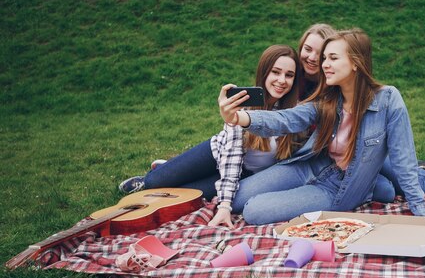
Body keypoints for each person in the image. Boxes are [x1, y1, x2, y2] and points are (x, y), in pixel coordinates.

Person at [219, 28, 425, 225]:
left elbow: (403, 161)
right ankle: (377, 187)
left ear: (355, 63)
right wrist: (239, 117)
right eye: (324, 58)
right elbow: (285, 119)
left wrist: (422, 216)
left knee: (253, 211)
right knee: (236, 200)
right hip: (310, 165)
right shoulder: (328, 100)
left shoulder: (388, 100)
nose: (323, 65)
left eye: (332, 58)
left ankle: (418, 174)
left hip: (337, 188)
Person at [117, 44, 303, 227]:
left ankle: (169, 167)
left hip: (245, 173)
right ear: (264, 72)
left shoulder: (294, 115)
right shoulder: (242, 104)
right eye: (276, 72)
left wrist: (225, 203)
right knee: (153, 183)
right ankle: (154, 174)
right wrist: (224, 205)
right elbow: (232, 155)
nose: (282, 80)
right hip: (216, 152)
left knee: (179, 196)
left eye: (289, 75)